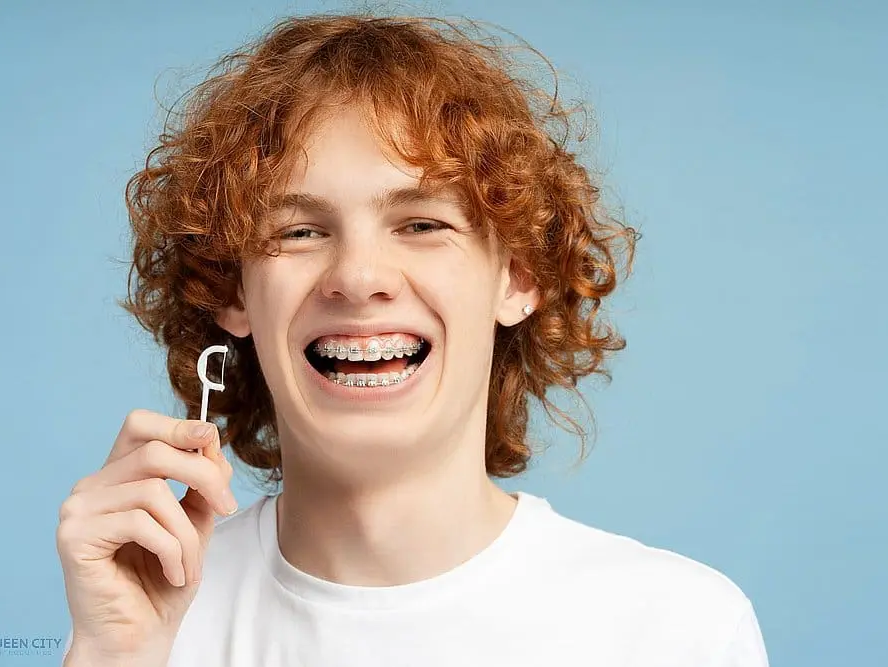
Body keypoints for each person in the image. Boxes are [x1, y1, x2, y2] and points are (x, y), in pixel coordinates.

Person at [56, 13, 769, 667]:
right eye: (300, 231)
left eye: (423, 224)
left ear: (518, 275)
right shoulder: (148, 621)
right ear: (230, 290)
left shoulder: (680, 630)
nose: (359, 277)